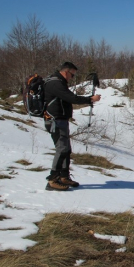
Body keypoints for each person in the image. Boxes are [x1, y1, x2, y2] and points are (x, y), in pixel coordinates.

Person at [43, 61, 101, 191]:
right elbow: (71, 98)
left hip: (60, 120)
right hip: (55, 121)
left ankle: (63, 176)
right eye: (72, 75)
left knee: (66, 150)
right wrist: (90, 99)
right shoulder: (55, 83)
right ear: (65, 72)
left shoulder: (58, 82)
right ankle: (52, 180)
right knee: (62, 149)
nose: (72, 78)